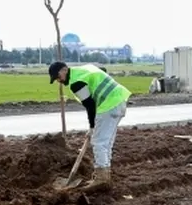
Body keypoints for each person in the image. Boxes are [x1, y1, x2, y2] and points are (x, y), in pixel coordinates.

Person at [48, 61, 132, 193]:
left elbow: (89, 105)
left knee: (98, 143)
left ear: (64, 70)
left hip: (108, 106)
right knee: (106, 142)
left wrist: (92, 126)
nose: (58, 80)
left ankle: (102, 178)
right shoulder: (83, 70)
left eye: (58, 76)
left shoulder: (76, 82)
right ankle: (105, 173)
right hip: (119, 101)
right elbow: (101, 72)